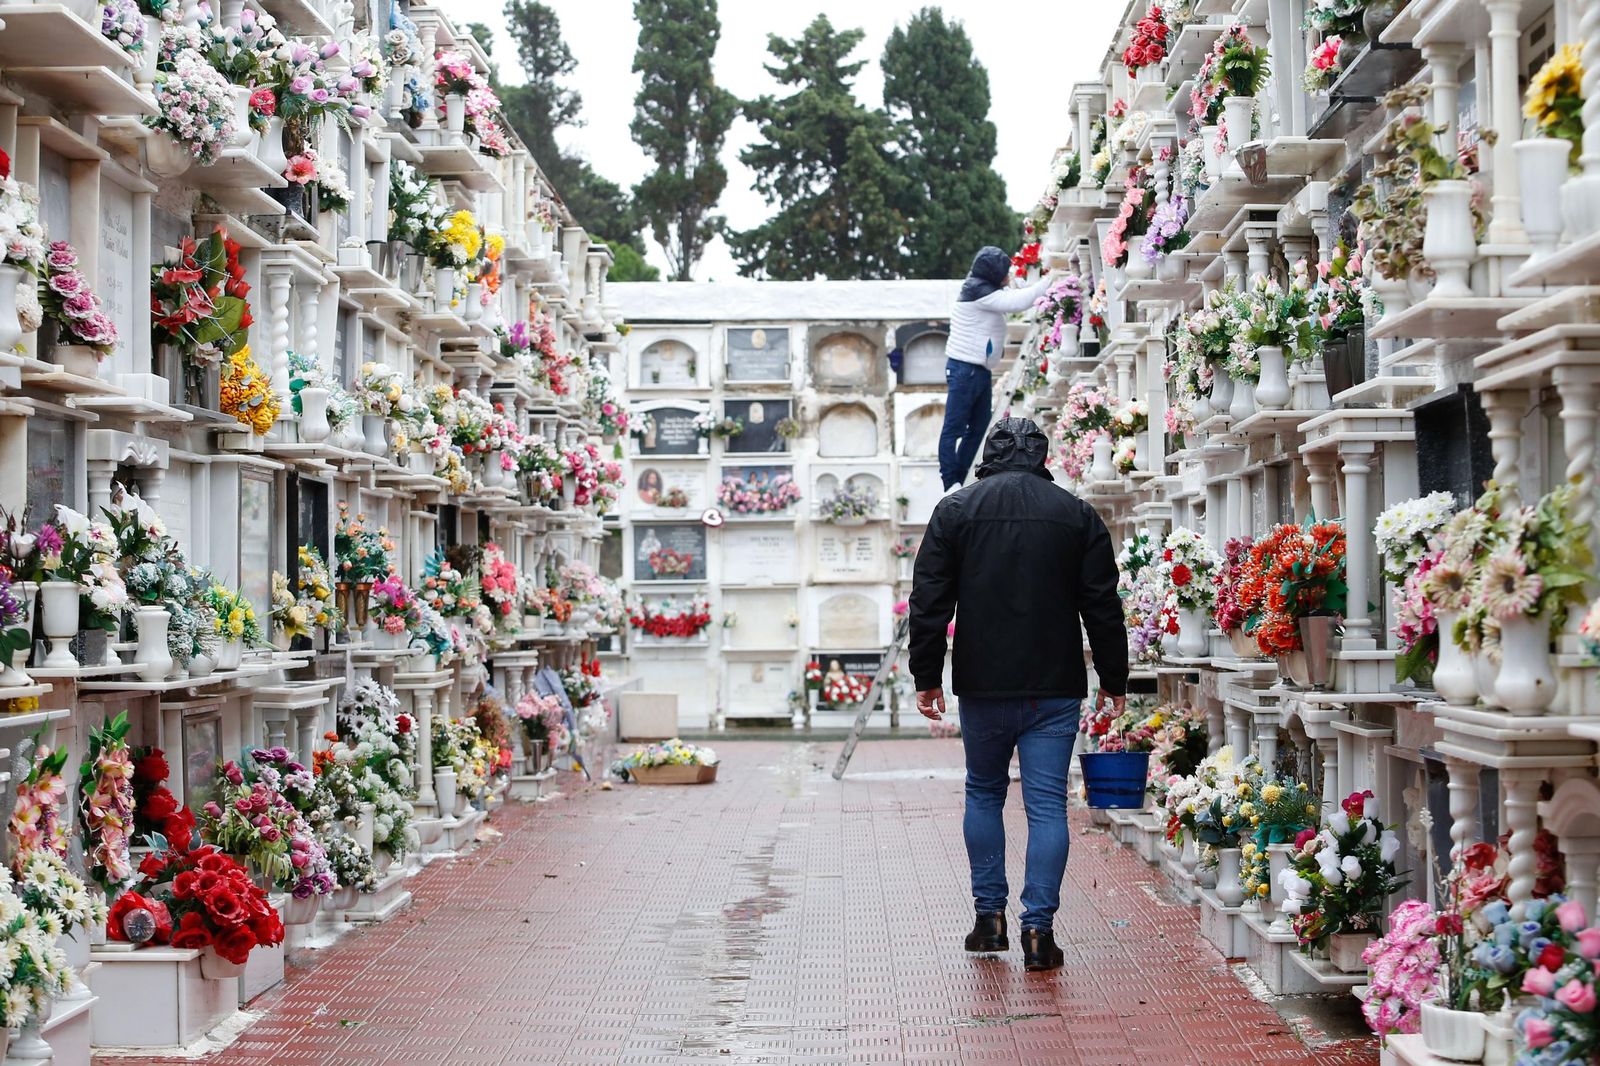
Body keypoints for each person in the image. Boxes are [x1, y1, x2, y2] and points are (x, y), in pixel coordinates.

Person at [908, 417, 1128, 972]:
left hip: (984, 682)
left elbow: (930, 600)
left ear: (991, 454)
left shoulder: (955, 511)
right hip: (1054, 685)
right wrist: (1115, 677)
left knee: (983, 792)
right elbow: (1101, 604)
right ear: (1041, 455)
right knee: (1047, 805)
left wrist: (927, 676)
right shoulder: (1076, 514)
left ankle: (989, 921)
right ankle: (1038, 931)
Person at [939, 248, 1051, 490]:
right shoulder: (978, 292)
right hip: (964, 368)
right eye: (1003, 273)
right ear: (992, 274)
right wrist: (1050, 281)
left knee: (979, 428)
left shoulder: (982, 286)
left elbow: (1011, 291)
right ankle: (951, 482)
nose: (1006, 276)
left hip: (976, 370)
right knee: (954, 428)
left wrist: (1025, 280)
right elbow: (1016, 302)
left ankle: (963, 476)